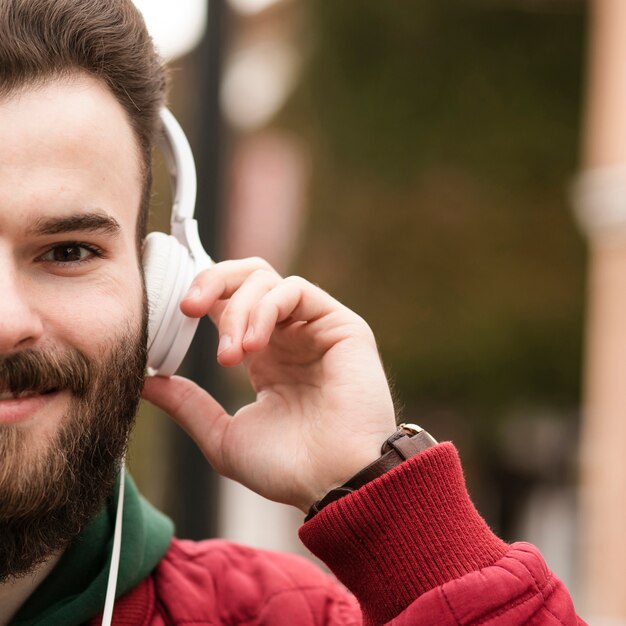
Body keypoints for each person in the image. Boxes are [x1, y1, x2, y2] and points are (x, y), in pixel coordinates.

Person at [0, 1, 585, 624]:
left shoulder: (283, 615)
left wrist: (390, 510)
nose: (8, 322)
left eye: (68, 251)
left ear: (158, 293)